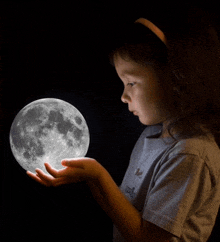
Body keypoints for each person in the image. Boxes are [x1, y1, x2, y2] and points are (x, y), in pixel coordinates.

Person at [27, 6, 220, 242]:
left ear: (176, 77)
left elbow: (147, 238)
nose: (123, 96)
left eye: (131, 82)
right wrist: (92, 178)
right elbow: (126, 213)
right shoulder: (152, 136)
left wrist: (98, 176)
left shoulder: (190, 155)